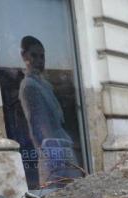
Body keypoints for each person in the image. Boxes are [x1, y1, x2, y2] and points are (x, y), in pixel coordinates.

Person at [18, 35, 81, 188]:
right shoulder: (29, 86)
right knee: (57, 193)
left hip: (61, 145)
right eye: (34, 55)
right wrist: (53, 154)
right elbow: (39, 124)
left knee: (76, 189)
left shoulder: (45, 85)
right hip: (52, 148)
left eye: (42, 56)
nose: (39, 61)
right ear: (24, 56)